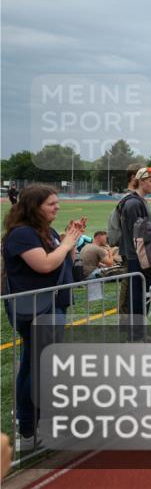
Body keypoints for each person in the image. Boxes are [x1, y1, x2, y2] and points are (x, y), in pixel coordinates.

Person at [1, 185, 85, 443]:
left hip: (50, 306)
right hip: (37, 309)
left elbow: (63, 262)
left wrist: (71, 241)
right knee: (40, 367)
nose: (57, 207)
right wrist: (68, 242)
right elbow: (45, 264)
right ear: (34, 206)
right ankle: (28, 427)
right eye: (51, 203)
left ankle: (29, 424)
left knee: (32, 364)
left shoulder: (44, 231)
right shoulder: (22, 234)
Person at [118, 165, 151, 328]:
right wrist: (145, 259)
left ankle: (139, 332)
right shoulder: (133, 204)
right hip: (137, 258)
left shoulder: (138, 201)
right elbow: (138, 237)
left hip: (140, 257)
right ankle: (135, 335)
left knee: (144, 295)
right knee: (137, 297)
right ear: (140, 181)